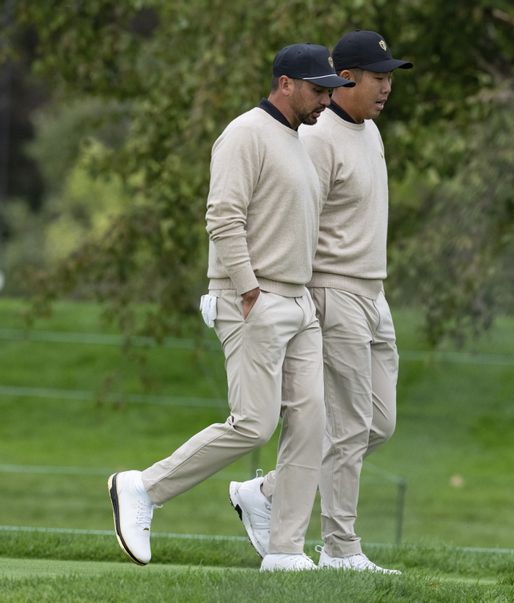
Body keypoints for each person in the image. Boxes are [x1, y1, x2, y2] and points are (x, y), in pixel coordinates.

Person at [108, 43, 354, 573]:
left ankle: (286, 549)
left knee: (312, 424)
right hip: (253, 298)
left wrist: (300, 294)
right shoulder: (245, 133)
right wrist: (247, 289)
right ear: (285, 83)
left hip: (298, 301)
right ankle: (143, 487)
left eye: (330, 90)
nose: (325, 100)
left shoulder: (301, 140)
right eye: (318, 90)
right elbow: (223, 216)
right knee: (254, 424)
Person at [229, 30, 412, 574]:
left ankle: (267, 490)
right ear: (346, 78)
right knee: (349, 426)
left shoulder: (371, 131)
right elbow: (294, 222)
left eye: (389, 78)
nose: (386, 88)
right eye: (378, 78)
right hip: (333, 293)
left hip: (374, 294)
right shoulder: (318, 137)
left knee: (377, 424)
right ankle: (340, 548)